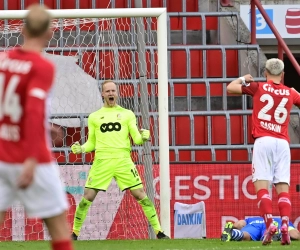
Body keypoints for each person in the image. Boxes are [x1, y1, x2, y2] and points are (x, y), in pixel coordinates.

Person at [0, 5, 73, 250]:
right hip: (32, 157)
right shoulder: (42, 66)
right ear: (50, 33)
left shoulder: (3, 59)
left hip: (1, 153)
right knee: (59, 228)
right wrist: (31, 158)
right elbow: (32, 111)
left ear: (22, 29)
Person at [70, 80, 169, 240]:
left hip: (123, 160)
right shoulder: (94, 117)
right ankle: (74, 233)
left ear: (117, 93)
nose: (110, 93)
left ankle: (159, 232)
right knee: (87, 197)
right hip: (102, 161)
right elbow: (92, 143)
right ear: (102, 94)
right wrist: (81, 148)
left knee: (140, 194)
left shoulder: (127, 114)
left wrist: (144, 137)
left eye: (113, 91)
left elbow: (136, 139)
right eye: (107, 91)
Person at [227, 58, 300, 246]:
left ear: (265, 72)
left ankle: (269, 225)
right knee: (283, 188)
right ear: (283, 75)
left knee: (262, 187)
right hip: (283, 144)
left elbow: (230, 88)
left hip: (263, 141)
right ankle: (284, 224)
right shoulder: (290, 92)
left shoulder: (257, 87)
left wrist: (243, 78)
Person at [221, 217, 300, 242]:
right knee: (292, 233)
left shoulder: (251, 219)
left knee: (245, 235)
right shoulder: (283, 220)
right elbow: (296, 235)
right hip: (276, 223)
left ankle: (232, 233)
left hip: (255, 223)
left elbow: (239, 224)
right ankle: (275, 233)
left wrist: (234, 227)